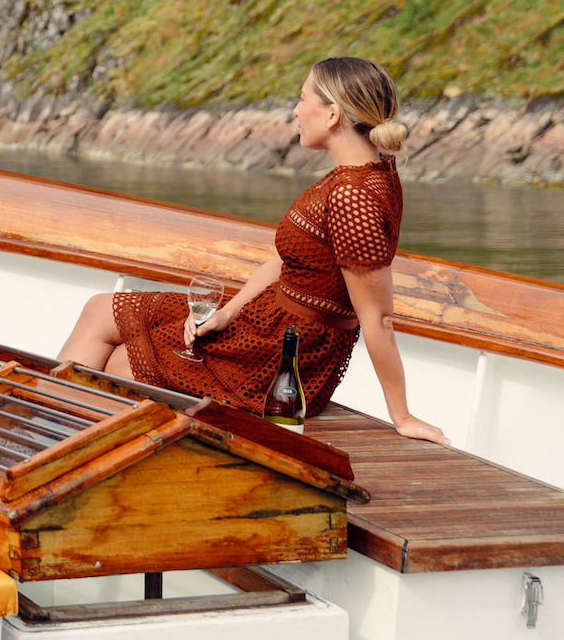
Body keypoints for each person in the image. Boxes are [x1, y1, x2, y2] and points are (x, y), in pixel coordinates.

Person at [57, 57, 450, 444]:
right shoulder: (367, 173)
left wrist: (402, 416)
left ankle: (48, 439)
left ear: (332, 115)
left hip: (282, 358)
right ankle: (56, 437)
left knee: (123, 363)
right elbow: (289, 259)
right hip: (261, 326)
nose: (295, 110)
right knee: (101, 314)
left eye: (302, 99)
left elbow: (376, 317)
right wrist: (228, 312)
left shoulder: (352, 196)